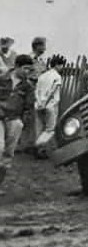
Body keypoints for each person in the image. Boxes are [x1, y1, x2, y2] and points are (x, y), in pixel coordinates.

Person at [0, 55, 36, 190]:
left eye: (29, 69)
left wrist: (23, 122)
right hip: (0, 118)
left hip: (15, 120)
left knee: (8, 155)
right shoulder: (3, 79)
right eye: (25, 69)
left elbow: (29, 106)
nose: (27, 72)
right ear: (17, 67)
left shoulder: (27, 86)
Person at [34, 54, 66, 157]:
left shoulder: (42, 76)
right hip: (50, 105)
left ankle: (40, 150)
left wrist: (39, 101)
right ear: (57, 65)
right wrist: (45, 102)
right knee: (49, 129)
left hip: (38, 104)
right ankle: (40, 147)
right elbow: (52, 91)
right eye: (61, 65)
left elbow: (37, 91)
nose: (62, 68)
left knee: (39, 127)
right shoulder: (57, 76)